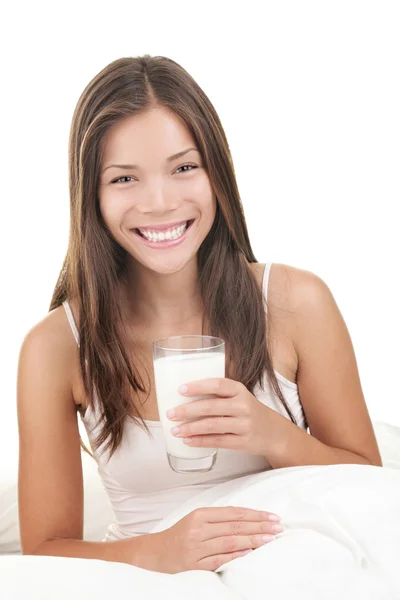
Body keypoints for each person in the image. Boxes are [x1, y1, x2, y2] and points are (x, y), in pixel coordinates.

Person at [17, 55, 382, 575]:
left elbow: (371, 481)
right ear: (90, 196)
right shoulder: (55, 349)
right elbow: (46, 552)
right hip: (147, 578)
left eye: (184, 168)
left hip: (297, 567)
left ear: (217, 174)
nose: (160, 202)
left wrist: (273, 435)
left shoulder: (296, 302)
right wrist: (159, 553)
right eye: (124, 179)